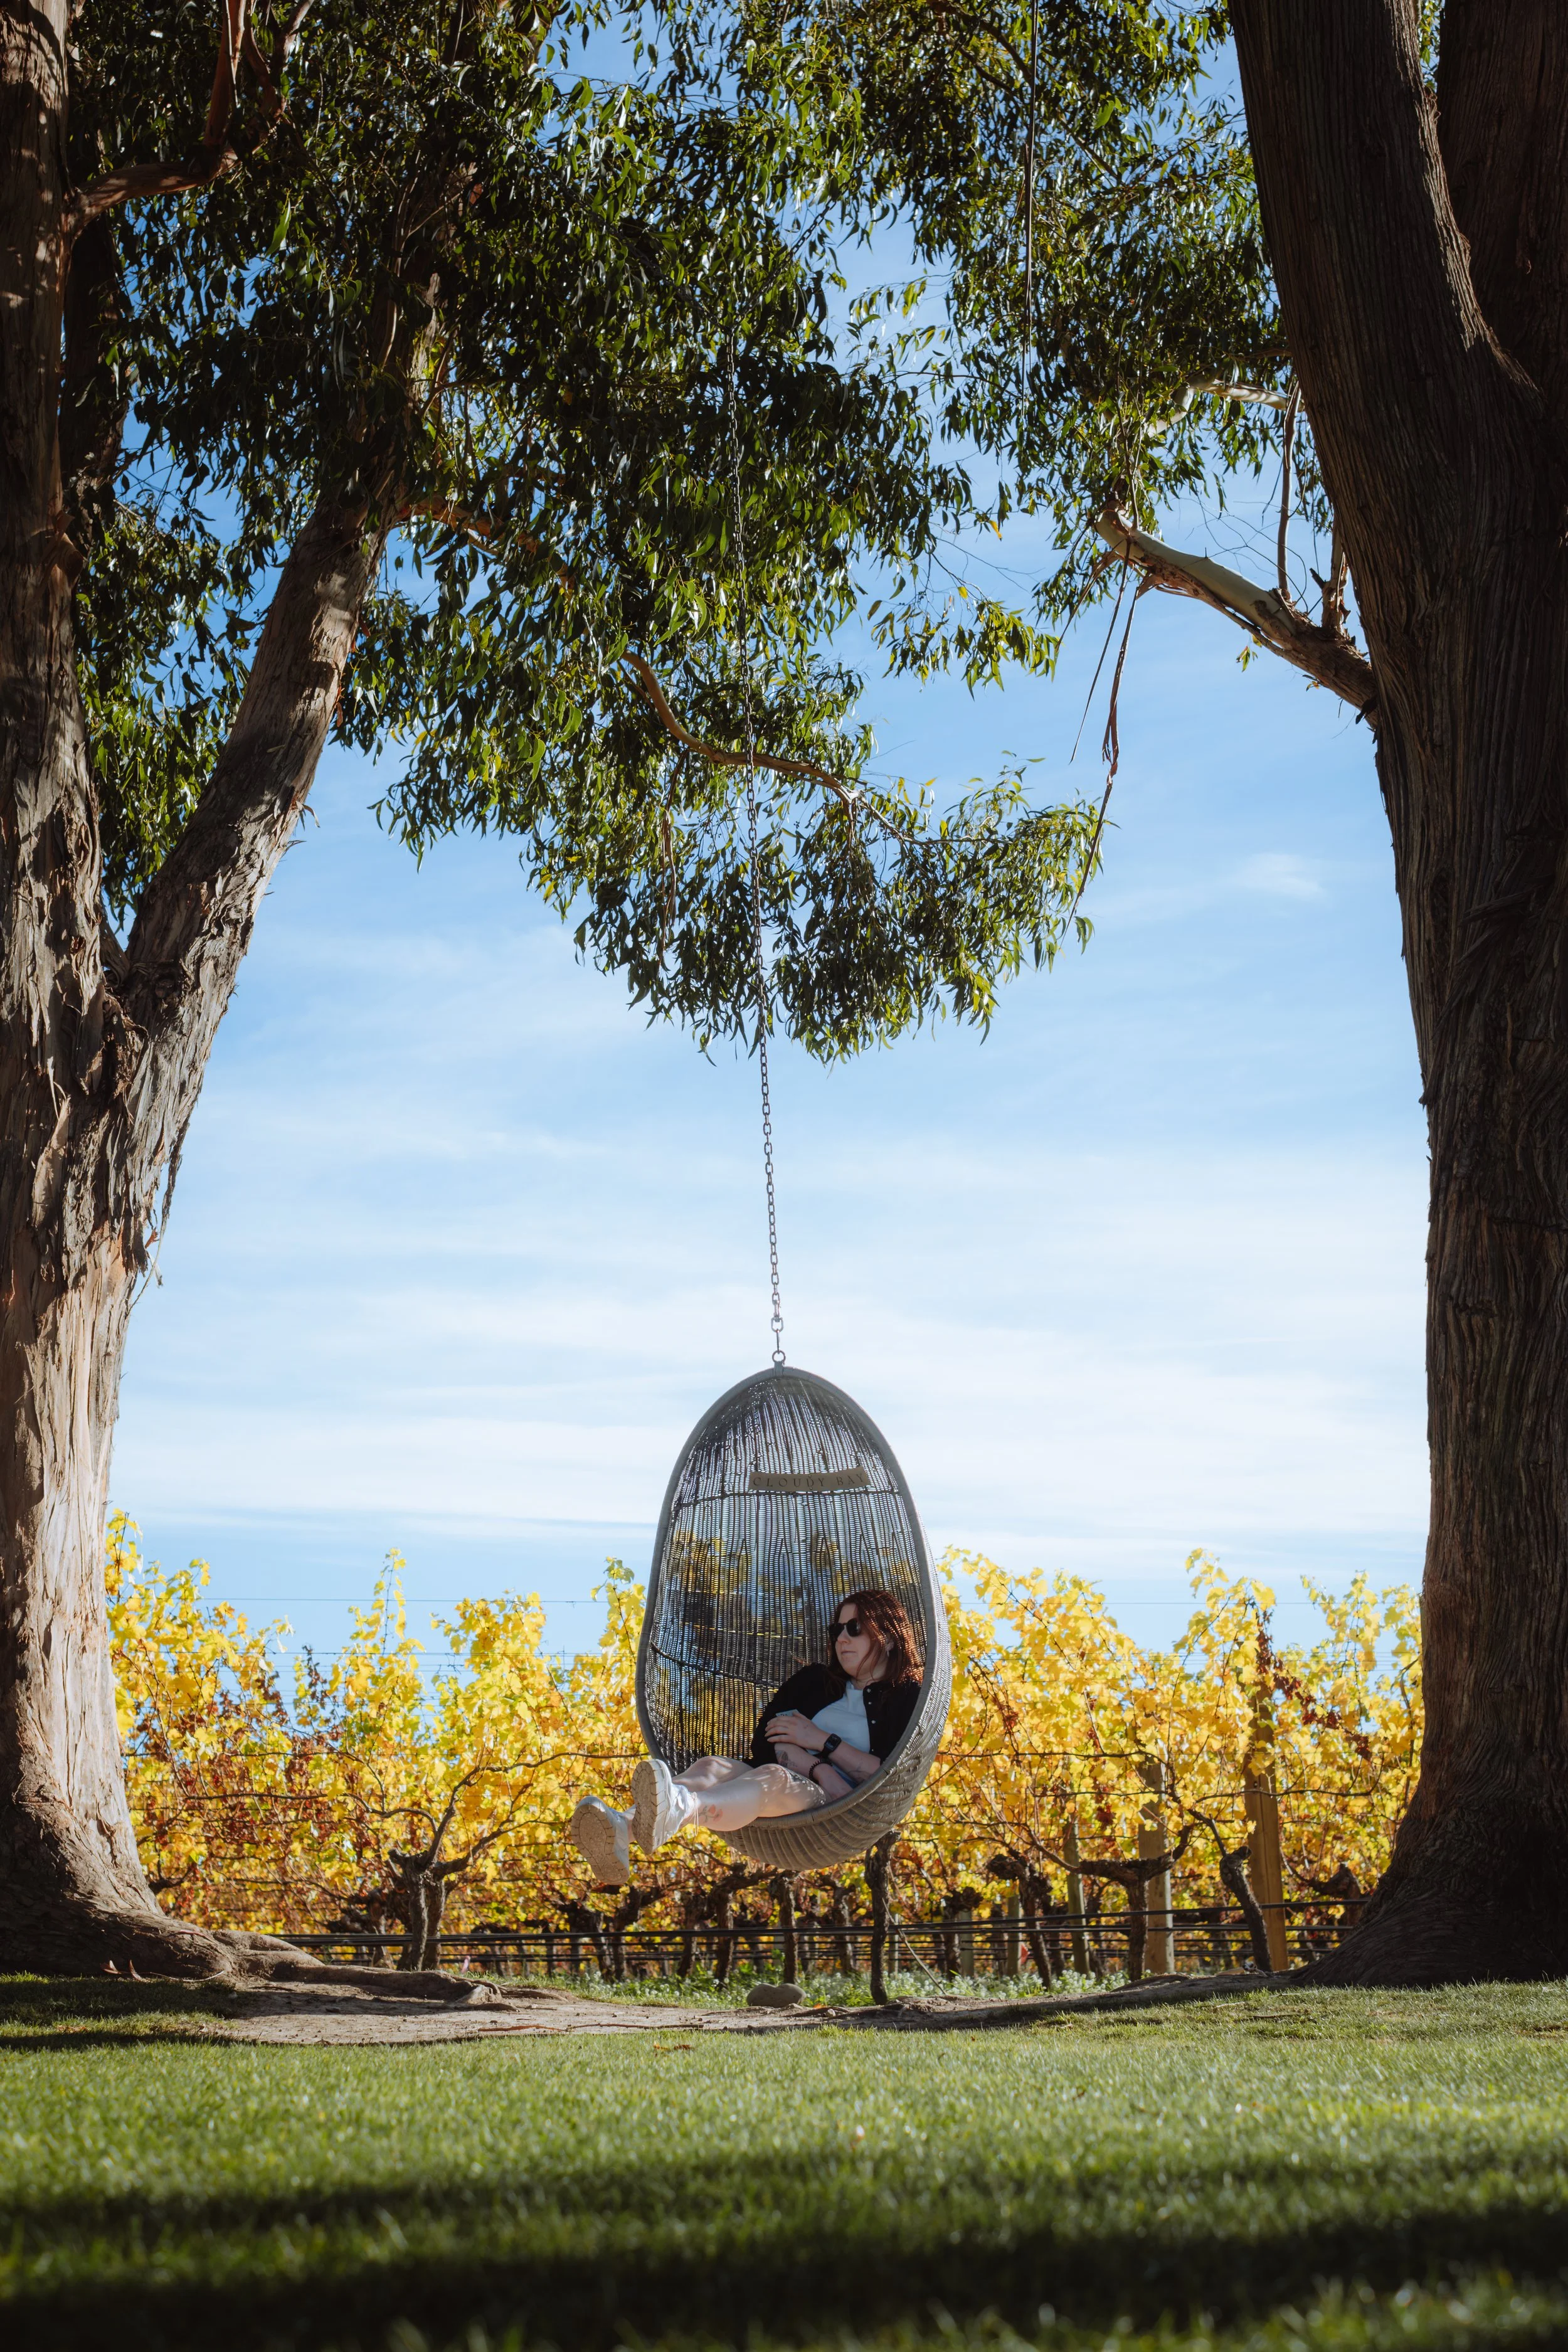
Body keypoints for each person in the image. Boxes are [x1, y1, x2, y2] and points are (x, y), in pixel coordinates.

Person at [568, 1588, 922, 1886]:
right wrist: (820, 1768)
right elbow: (770, 1740)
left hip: (839, 1809)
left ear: (888, 1636)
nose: (842, 1638)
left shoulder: (907, 1695)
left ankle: (681, 1809)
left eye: (854, 1628)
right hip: (800, 1780)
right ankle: (622, 1829)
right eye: (837, 1630)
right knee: (713, 1766)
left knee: (774, 1777)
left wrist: (819, 1739)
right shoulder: (815, 1681)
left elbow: (886, 1771)